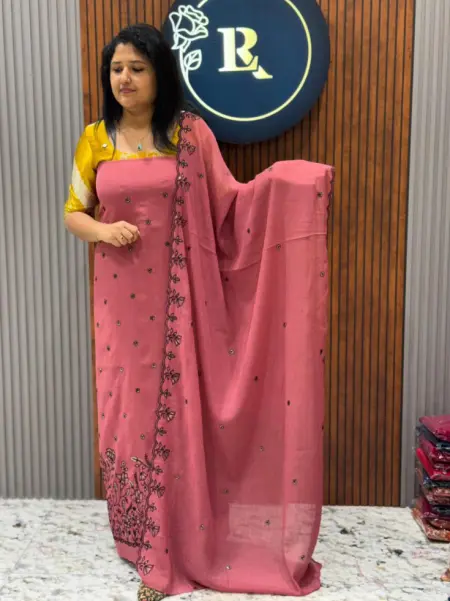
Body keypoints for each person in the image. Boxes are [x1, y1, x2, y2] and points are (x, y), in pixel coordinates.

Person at [64, 23, 333, 601]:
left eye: (137, 68)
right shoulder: (96, 138)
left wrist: (287, 183)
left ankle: (180, 537)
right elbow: (73, 212)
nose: (124, 79)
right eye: (116, 69)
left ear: (160, 74)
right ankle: (137, 536)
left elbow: (230, 204)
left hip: (181, 302)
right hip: (118, 303)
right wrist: (103, 231)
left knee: (181, 408)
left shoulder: (190, 134)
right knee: (124, 408)